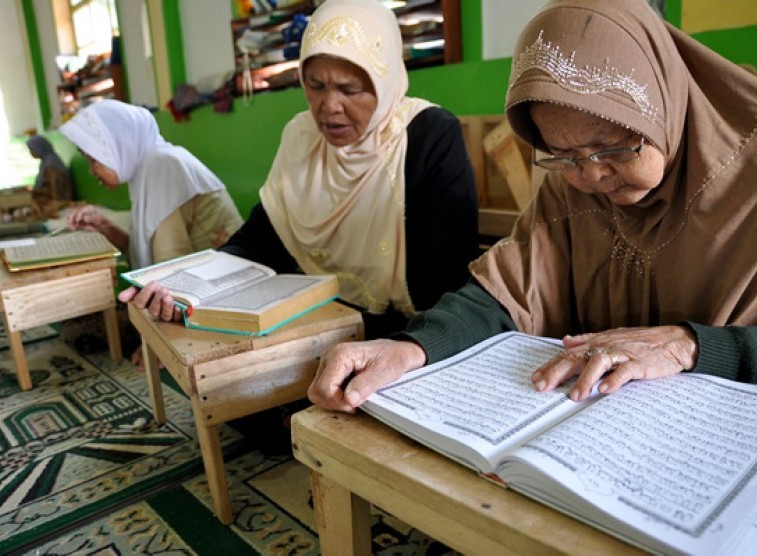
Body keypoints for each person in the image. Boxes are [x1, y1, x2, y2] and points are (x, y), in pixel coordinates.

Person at [308, 0, 757, 414]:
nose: (593, 174)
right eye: (564, 155)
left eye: (615, 147)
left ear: (664, 108)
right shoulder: (574, 184)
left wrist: (691, 347)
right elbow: (504, 293)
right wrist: (411, 348)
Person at [122, 0, 479, 341]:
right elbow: (261, 243)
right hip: (321, 313)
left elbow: (446, 275)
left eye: (349, 88)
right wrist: (187, 284)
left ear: (384, 84)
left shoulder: (427, 135)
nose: (329, 106)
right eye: (315, 85)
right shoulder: (302, 136)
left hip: (412, 328)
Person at [59, 99, 244, 270]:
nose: (92, 171)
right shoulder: (146, 170)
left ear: (118, 147)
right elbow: (145, 254)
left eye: (93, 160)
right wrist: (103, 225)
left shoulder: (163, 168)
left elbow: (169, 271)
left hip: (233, 284)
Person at [26, 134, 75, 218]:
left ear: (39, 148)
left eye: (32, 149)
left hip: (57, 204)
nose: (30, 152)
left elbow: (55, 193)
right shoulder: (46, 162)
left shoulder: (51, 166)